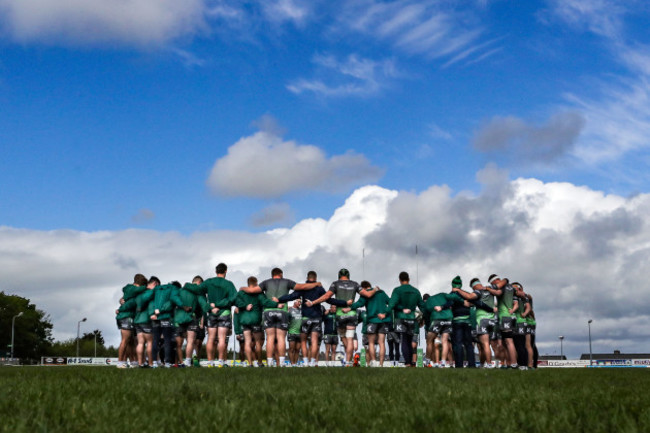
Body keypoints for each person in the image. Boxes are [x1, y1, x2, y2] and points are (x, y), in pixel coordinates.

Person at [241, 268, 321, 367]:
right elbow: (302, 287)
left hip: (268, 311)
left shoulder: (266, 282)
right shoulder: (287, 281)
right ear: (281, 274)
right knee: (281, 338)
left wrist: (242, 288)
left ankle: (270, 363)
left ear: (272, 275)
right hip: (282, 311)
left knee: (270, 338)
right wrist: (316, 284)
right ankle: (282, 363)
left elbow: (253, 290)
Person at [279, 271, 348, 367]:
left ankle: (306, 362)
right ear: (315, 278)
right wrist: (344, 303)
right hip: (316, 318)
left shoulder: (304, 287)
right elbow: (329, 299)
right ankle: (312, 362)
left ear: (307, 277)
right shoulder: (319, 288)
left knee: (303, 341)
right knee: (314, 341)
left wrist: (279, 299)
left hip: (305, 318)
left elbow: (292, 296)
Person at [308, 269, 376, 365]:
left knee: (344, 339)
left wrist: (313, 302)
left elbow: (326, 297)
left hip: (340, 316)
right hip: (352, 314)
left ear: (339, 275)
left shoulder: (335, 284)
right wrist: (376, 289)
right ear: (349, 275)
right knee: (350, 339)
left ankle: (348, 360)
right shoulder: (355, 284)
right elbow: (368, 294)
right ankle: (348, 362)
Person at [378, 271, 425, 367]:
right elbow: (422, 306)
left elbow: (392, 304)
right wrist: (427, 316)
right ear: (409, 279)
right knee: (411, 340)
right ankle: (412, 363)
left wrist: (385, 313)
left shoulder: (397, 290)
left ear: (400, 280)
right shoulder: (416, 291)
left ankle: (407, 363)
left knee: (404, 340)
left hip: (401, 318)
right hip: (412, 318)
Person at [451, 278, 499, 368]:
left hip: (471, 321)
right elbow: (480, 303)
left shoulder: (454, 294)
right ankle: (477, 365)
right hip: (487, 321)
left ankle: (460, 366)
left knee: (461, 344)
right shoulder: (488, 289)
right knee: (489, 345)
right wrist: (492, 309)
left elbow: (449, 305)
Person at [200, 263, 238, 368]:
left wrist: (208, 306)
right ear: (226, 271)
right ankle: (221, 362)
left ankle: (210, 363)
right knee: (222, 339)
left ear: (216, 271)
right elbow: (234, 298)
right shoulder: (229, 284)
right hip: (224, 313)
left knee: (211, 338)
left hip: (212, 313)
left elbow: (199, 292)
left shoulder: (208, 282)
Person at [350, 281, 391, 367]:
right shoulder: (381, 292)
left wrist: (348, 306)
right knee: (381, 343)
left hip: (372, 320)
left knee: (371, 343)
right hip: (383, 321)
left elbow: (359, 304)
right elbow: (390, 303)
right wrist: (385, 314)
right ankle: (381, 364)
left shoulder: (365, 294)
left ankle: (373, 362)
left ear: (363, 288)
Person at [115, 273, 148, 368]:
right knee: (125, 340)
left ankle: (133, 362)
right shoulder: (133, 289)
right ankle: (120, 362)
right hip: (126, 316)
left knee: (131, 341)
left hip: (126, 316)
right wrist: (147, 288)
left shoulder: (130, 290)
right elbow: (141, 290)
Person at [174, 276, 208, 367]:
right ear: (199, 282)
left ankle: (179, 363)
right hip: (191, 317)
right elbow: (202, 307)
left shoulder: (181, 290)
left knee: (179, 344)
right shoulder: (198, 292)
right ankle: (188, 362)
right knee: (191, 341)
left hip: (178, 319)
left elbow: (174, 301)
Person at [148, 280, 182, 367]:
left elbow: (151, 301)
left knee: (155, 340)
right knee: (167, 341)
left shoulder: (158, 289)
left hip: (155, 318)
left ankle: (154, 362)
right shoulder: (173, 290)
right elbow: (170, 303)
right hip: (166, 317)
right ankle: (167, 363)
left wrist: (153, 313)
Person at [489, 274, 519, 368]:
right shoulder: (511, 287)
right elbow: (518, 293)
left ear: (495, 281)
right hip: (512, 316)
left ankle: (514, 364)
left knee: (509, 342)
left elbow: (497, 293)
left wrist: (488, 289)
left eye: (492, 283)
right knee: (507, 343)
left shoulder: (502, 287)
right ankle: (509, 363)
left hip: (505, 316)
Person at [423, 290, 453, 367]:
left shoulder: (427, 304)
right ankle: (442, 362)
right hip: (448, 320)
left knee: (429, 342)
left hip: (436, 322)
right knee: (444, 342)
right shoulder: (441, 300)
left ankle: (427, 362)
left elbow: (426, 317)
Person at [512, 282, 531, 370]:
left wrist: (523, 314)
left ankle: (523, 365)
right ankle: (523, 365)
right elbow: (528, 307)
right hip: (522, 322)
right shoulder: (525, 296)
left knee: (519, 345)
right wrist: (525, 314)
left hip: (518, 322)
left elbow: (528, 307)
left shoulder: (518, 296)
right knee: (520, 345)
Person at [287, 300, 303, 366]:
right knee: (291, 349)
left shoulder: (301, 310)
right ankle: (292, 363)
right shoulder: (290, 309)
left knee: (297, 350)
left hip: (300, 333)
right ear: (294, 302)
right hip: (292, 332)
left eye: (300, 302)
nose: (300, 303)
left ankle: (295, 364)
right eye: (299, 302)